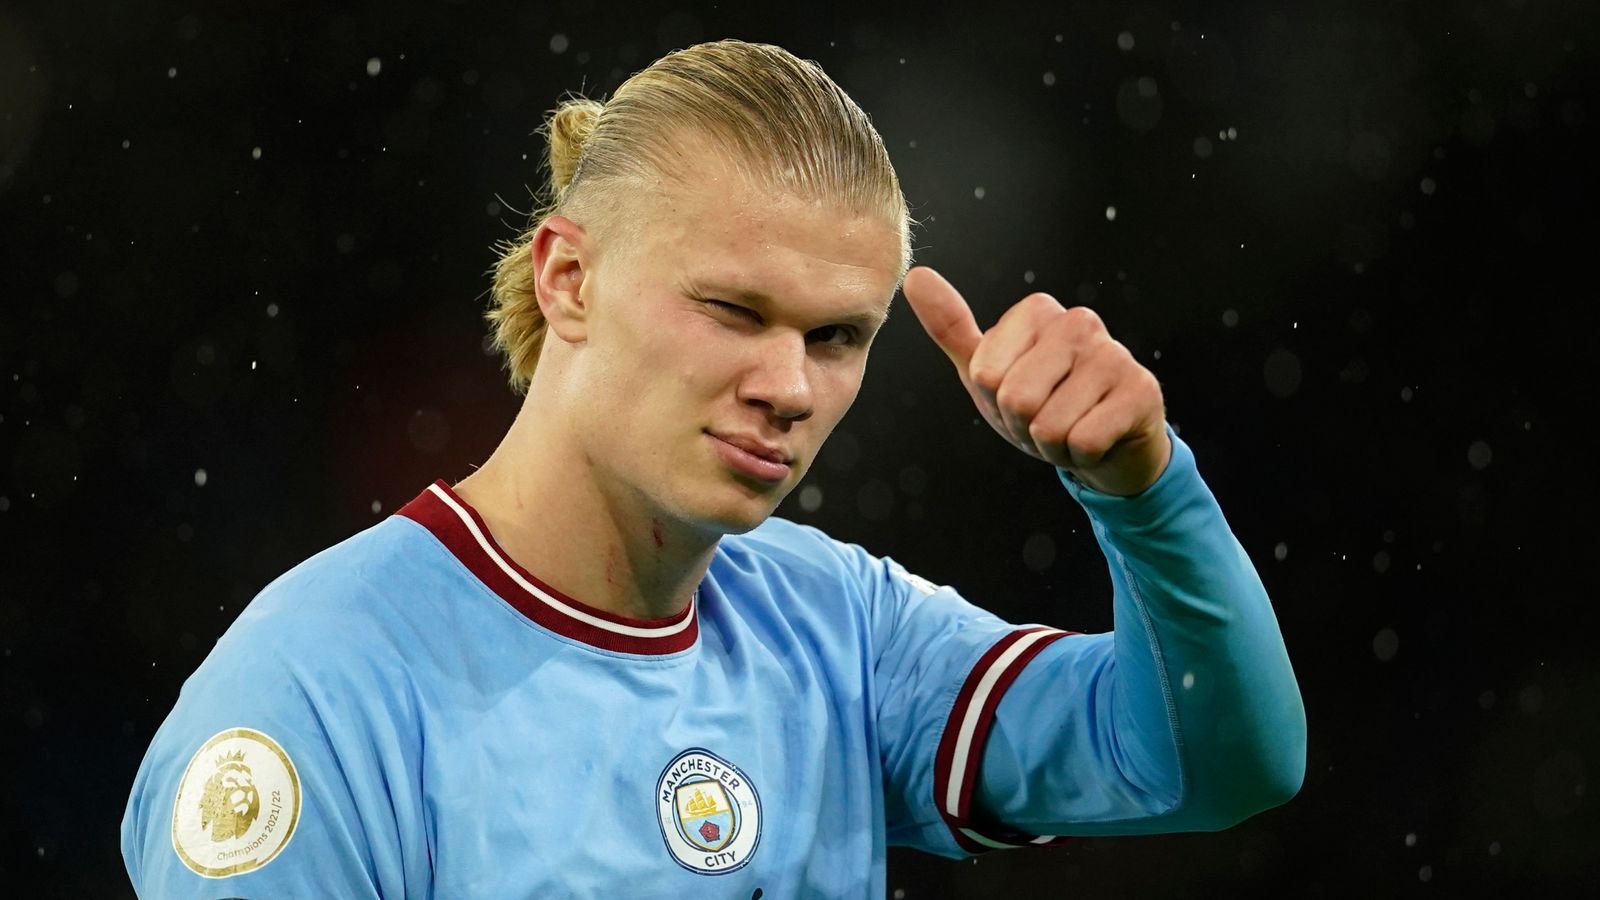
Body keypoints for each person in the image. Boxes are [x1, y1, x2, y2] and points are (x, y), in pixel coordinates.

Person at [121, 39, 1305, 898]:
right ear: (566, 281)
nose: (789, 386)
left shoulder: (837, 629)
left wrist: (1145, 498)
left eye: (838, 337)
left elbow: (1213, 763)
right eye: (733, 311)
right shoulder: (313, 697)